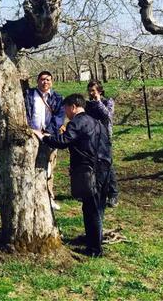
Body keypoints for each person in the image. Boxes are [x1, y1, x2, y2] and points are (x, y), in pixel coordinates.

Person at [40, 94, 111, 257]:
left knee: (91, 210)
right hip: (104, 169)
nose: (65, 113)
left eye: (66, 109)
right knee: (98, 208)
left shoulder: (77, 122)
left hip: (90, 171)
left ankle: (94, 249)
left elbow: (64, 141)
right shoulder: (96, 122)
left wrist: (45, 138)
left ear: (73, 107)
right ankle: (94, 240)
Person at [24, 70, 65, 209]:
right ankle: (30, 197)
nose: (45, 82)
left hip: (49, 136)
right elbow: (25, 112)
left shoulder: (57, 98)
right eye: (42, 79)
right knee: (30, 166)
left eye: (48, 79)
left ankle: (49, 197)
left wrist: (48, 132)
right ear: (37, 81)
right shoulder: (29, 95)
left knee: (49, 168)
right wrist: (30, 129)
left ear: (51, 82)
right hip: (32, 134)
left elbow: (59, 117)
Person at [85, 80, 118, 207]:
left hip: (104, 138)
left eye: (93, 90)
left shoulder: (108, 101)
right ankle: (94, 190)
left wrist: (98, 102)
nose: (91, 93)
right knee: (92, 165)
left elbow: (107, 115)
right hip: (91, 137)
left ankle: (113, 194)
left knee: (108, 165)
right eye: (89, 91)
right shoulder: (88, 104)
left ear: (100, 91)